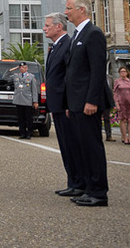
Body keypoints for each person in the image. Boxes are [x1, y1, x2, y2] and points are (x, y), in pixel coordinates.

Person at [63, 0, 111, 207]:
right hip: (76, 103)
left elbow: (97, 71)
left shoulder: (93, 34)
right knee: (82, 147)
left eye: (69, 8)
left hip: (87, 103)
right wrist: (69, 104)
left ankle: (99, 192)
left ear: (81, 9)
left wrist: (92, 100)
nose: (66, 12)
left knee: (92, 147)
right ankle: (88, 188)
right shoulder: (77, 35)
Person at [43, 12, 84, 197]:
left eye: (47, 25)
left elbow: (69, 77)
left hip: (65, 104)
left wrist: (68, 103)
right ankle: (73, 181)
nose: (44, 28)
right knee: (65, 146)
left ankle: (78, 182)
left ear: (59, 27)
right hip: (57, 104)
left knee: (72, 145)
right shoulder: (55, 46)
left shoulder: (67, 45)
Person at [11, 62, 39, 139]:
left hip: (27, 100)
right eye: (20, 67)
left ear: (26, 68)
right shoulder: (16, 75)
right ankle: (22, 133)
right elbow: (6, 76)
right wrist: (14, 69)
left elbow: (34, 90)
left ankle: (29, 133)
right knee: (20, 118)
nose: (21, 69)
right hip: (19, 100)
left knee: (28, 118)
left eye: (23, 67)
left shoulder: (31, 77)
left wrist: (35, 101)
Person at [112, 67, 130, 144]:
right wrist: (116, 103)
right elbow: (115, 93)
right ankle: (125, 137)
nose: (123, 73)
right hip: (121, 102)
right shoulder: (117, 81)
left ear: (127, 73)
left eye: (124, 71)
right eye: (121, 72)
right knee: (123, 119)